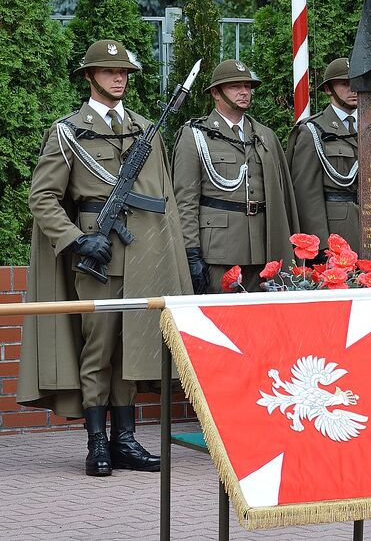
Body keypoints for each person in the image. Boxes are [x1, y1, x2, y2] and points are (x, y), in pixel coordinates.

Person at [17, 39, 193, 476]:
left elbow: (163, 200)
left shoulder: (144, 130)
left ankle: (125, 441)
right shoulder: (68, 133)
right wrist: (77, 240)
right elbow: (43, 198)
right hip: (97, 256)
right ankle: (97, 442)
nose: (119, 79)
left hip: (141, 256)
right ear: (90, 77)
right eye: (110, 72)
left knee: (130, 349)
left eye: (125, 73)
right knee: (98, 350)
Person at [172, 59, 299, 294]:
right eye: (235, 86)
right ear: (215, 93)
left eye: (247, 86)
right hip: (218, 251)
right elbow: (185, 202)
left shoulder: (265, 136)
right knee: (221, 315)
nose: (244, 92)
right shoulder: (195, 136)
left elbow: (282, 196)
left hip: (263, 248)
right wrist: (191, 253)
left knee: (261, 315)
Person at [286, 58, 361, 253]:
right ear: (328, 89)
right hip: (336, 229)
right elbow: (306, 193)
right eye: (345, 84)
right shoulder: (313, 130)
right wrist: (319, 245)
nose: (353, 89)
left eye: (356, 82)